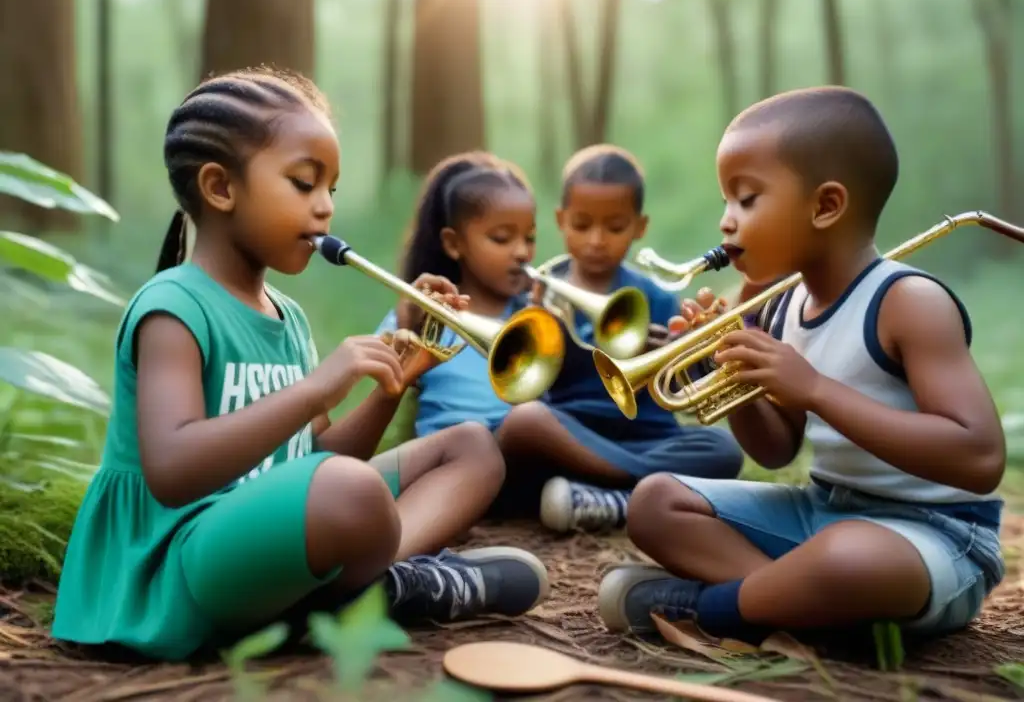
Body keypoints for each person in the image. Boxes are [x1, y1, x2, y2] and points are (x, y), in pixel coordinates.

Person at [51, 68, 549, 663]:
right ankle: (379, 590)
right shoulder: (173, 307)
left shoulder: (287, 317)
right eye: (304, 183)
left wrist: (392, 385)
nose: (324, 209)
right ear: (219, 187)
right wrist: (317, 388)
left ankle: (359, 592)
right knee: (350, 491)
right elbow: (172, 469)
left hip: (272, 534)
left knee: (468, 447)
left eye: (331, 190)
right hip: (180, 557)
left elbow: (317, 462)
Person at [597, 86, 1007, 646]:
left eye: (746, 200)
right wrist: (739, 376)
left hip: (935, 535)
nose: (726, 222)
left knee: (847, 560)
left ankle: (711, 608)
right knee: (654, 502)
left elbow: (980, 457)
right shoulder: (785, 305)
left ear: (825, 206)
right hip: (823, 511)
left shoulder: (908, 302)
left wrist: (814, 389)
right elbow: (776, 451)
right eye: (725, 202)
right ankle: (797, 603)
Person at [498, 145, 744, 534]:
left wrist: (673, 354)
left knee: (722, 449)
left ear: (639, 227)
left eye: (615, 228)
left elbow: (687, 386)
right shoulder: (538, 295)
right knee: (524, 422)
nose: (597, 240)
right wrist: (538, 334)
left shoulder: (656, 297)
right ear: (561, 221)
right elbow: (522, 390)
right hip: (571, 434)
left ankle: (610, 497)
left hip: (647, 437)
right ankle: (635, 495)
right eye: (582, 225)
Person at [375, 151, 539, 440]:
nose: (522, 252)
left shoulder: (536, 315)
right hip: (446, 459)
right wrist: (407, 326)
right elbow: (381, 374)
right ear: (453, 244)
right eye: (501, 238)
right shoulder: (424, 314)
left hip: (524, 456)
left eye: (529, 239)